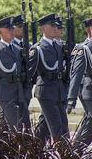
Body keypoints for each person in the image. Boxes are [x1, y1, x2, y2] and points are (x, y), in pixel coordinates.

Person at [29, 13, 68, 142]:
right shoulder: (37, 49)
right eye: (51, 26)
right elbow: (30, 73)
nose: (55, 28)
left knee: (50, 126)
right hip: (45, 91)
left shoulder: (58, 46)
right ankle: (62, 158)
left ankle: (36, 151)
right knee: (58, 128)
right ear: (43, 28)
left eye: (55, 26)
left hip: (58, 91)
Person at [67, 18, 92, 146]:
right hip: (89, 90)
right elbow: (76, 74)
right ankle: (76, 151)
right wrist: (71, 99)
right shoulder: (83, 48)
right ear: (90, 29)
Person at [11, 14, 32, 128]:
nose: (22, 29)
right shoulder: (10, 45)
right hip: (13, 87)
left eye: (23, 26)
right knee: (11, 120)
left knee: (24, 117)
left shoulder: (29, 46)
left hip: (25, 87)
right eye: (19, 26)